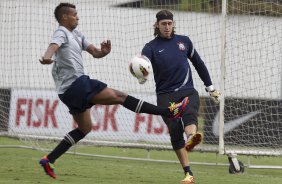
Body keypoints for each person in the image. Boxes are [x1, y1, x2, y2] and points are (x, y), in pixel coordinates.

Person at [38, 3, 189, 179]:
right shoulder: (61, 32)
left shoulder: (77, 34)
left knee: (85, 128)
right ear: (64, 17)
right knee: (120, 96)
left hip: (66, 92)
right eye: (74, 15)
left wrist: (103, 52)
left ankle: (49, 159)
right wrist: (47, 57)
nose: (77, 17)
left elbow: (94, 52)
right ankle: (169, 112)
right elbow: (52, 47)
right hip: (76, 84)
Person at [140, 10, 220, 183]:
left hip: (187, 90)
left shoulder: (184, 42)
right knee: (175, 131)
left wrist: (210, 88)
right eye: (163, 24)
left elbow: (198, 64)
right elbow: (142, 63)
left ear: (173, 24)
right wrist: (141, 74)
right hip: (164, 95)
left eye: (170, 23)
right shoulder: (151, 47)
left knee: (189, 114)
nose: (167, 27)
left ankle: (192, 138)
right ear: (157, 25)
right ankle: (188, 173)